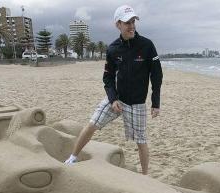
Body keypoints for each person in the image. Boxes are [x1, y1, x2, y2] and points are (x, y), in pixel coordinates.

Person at [64, 4, 163, 175]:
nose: (131, 26)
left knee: (141, 141)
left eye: (133, 21)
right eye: (127, 22)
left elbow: (157, 75)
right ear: (118, 24)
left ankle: (145, 176)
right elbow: (107, 78)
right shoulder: (113, 49)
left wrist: (155, 103)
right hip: (117, 99)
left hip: (138, 103)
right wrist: (113, 99)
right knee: (92, 123)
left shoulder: (147, 45)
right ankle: (72, 158)